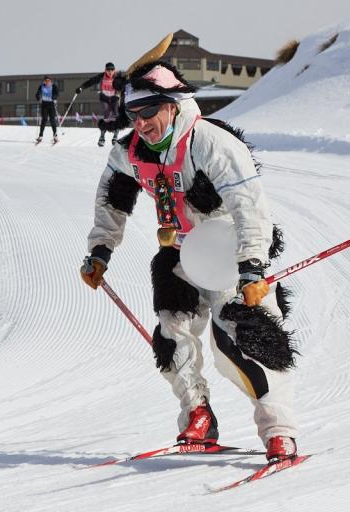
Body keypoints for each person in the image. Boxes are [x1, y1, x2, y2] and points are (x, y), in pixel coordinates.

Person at [80, 61, 299, 462]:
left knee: (242, 341)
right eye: (133, 114)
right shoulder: (129, 152)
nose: (141, 123)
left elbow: (249, 206)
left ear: (173, 104)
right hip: (179, 250)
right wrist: (100, 250)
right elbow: (111, 203)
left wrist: (252, 264)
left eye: (149, 112)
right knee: (171, 334)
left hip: (227, 252)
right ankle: (198, 414)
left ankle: (278, 431)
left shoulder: (210, 143)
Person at [75, 62, 120, 147]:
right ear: (105, 70)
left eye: (112, 70)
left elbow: (126, 84)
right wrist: (81, 88)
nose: (110, 72)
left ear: (115, 70)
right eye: (108, 70)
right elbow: (91, 81)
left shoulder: (118, 77)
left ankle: (115, 136)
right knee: (106, 115)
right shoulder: (101, 76)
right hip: (104, 98)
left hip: (114, 98)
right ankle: (102, 137)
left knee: (116, 115)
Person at [35, 75, 59, 143]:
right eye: (46, 81)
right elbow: (37, 93)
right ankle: (40, 136)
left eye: (48, 81)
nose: (47, 82)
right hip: (44, 105)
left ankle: (55, 136)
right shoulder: (41, 86)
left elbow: (57, 93)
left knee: (52, 120)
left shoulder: (53, 86)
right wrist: (38, 97)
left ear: (50, 81)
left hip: (51, 104)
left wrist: (54, 97)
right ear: (44, 81)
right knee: (44, 120)